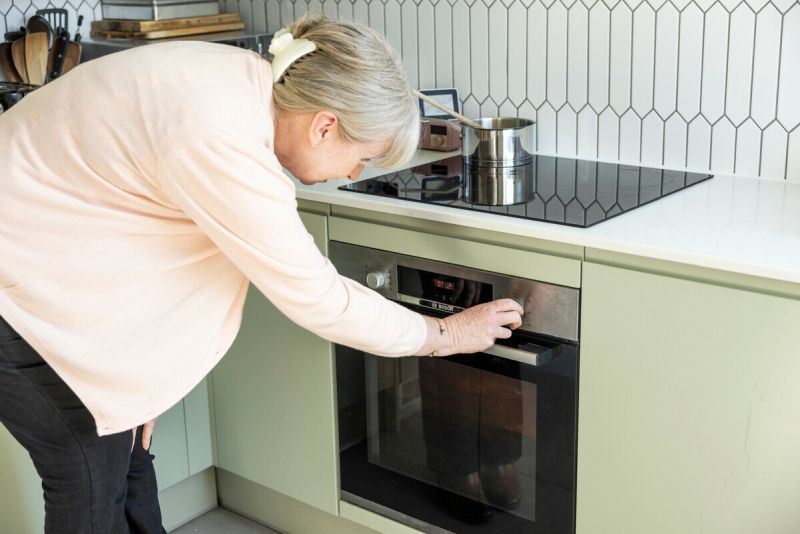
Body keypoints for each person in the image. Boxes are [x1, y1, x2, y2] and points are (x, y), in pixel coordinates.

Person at [0, 15, 523, 533]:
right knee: (89, 476)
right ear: (325, 125)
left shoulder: (239, 83)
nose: (357, 174)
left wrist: (137, 388)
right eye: (362, 156)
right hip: (17, 304)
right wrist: (444, 334)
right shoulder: (221, 139)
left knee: (129, 456)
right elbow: (321, 299)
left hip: (54, 284)